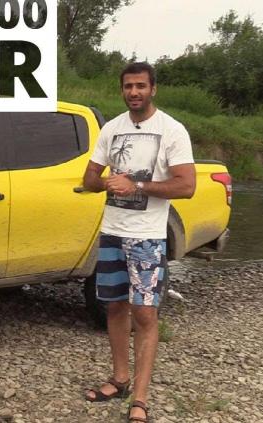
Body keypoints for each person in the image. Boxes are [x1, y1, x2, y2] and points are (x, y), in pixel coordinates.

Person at [81, 62, 196, 422]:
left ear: (153, 89)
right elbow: (89, 178)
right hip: (112, 231)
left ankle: (140, 399)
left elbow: (187, 186)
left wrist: (138, 185)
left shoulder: (171, 130)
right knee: (115, 306)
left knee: (145, 313)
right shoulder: (112, 129)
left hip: (147, 237)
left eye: (141, 86)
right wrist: (107, 182)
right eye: (128, 86)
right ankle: (120, 379)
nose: (134, 92)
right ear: (122, 90)